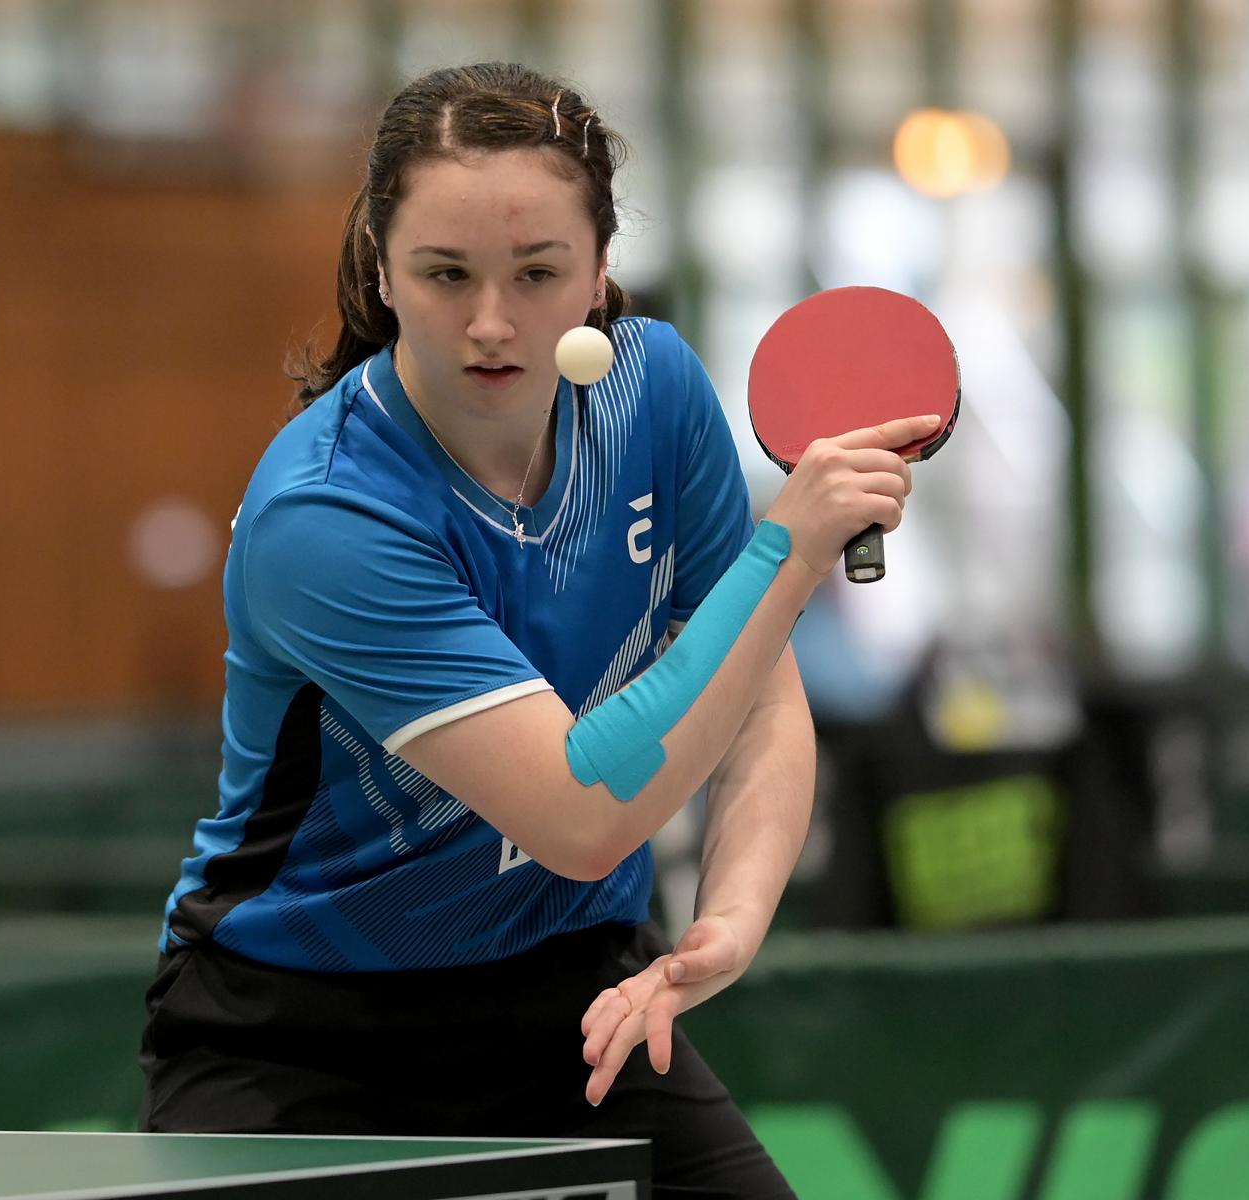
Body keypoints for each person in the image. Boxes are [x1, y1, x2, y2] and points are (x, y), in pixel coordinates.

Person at [138, 62, 929, 1198]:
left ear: (599, 273)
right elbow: (578, 816)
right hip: (303, 1042)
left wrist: (731, 919)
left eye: (538, 272)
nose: (491, 322)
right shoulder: (327, 513)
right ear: (381, 269)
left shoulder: (655, 395)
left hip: (578, 1010)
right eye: (445, 274)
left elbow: (757, 697)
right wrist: (786, 554)